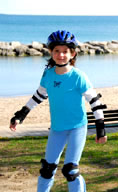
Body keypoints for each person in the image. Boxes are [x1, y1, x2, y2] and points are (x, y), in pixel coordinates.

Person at [10, 30, 107, 192]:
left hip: (77, 127)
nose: (60, 55)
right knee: (47, 170)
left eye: (65, 51)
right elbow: (38, 96)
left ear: (72, 53)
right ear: (50, 52)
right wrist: (21, 115)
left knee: (71, 170)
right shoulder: (48, 75)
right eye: (57, 51)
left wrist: (101, 128)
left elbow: (94, 101)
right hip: (57, 129)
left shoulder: (78, 76)